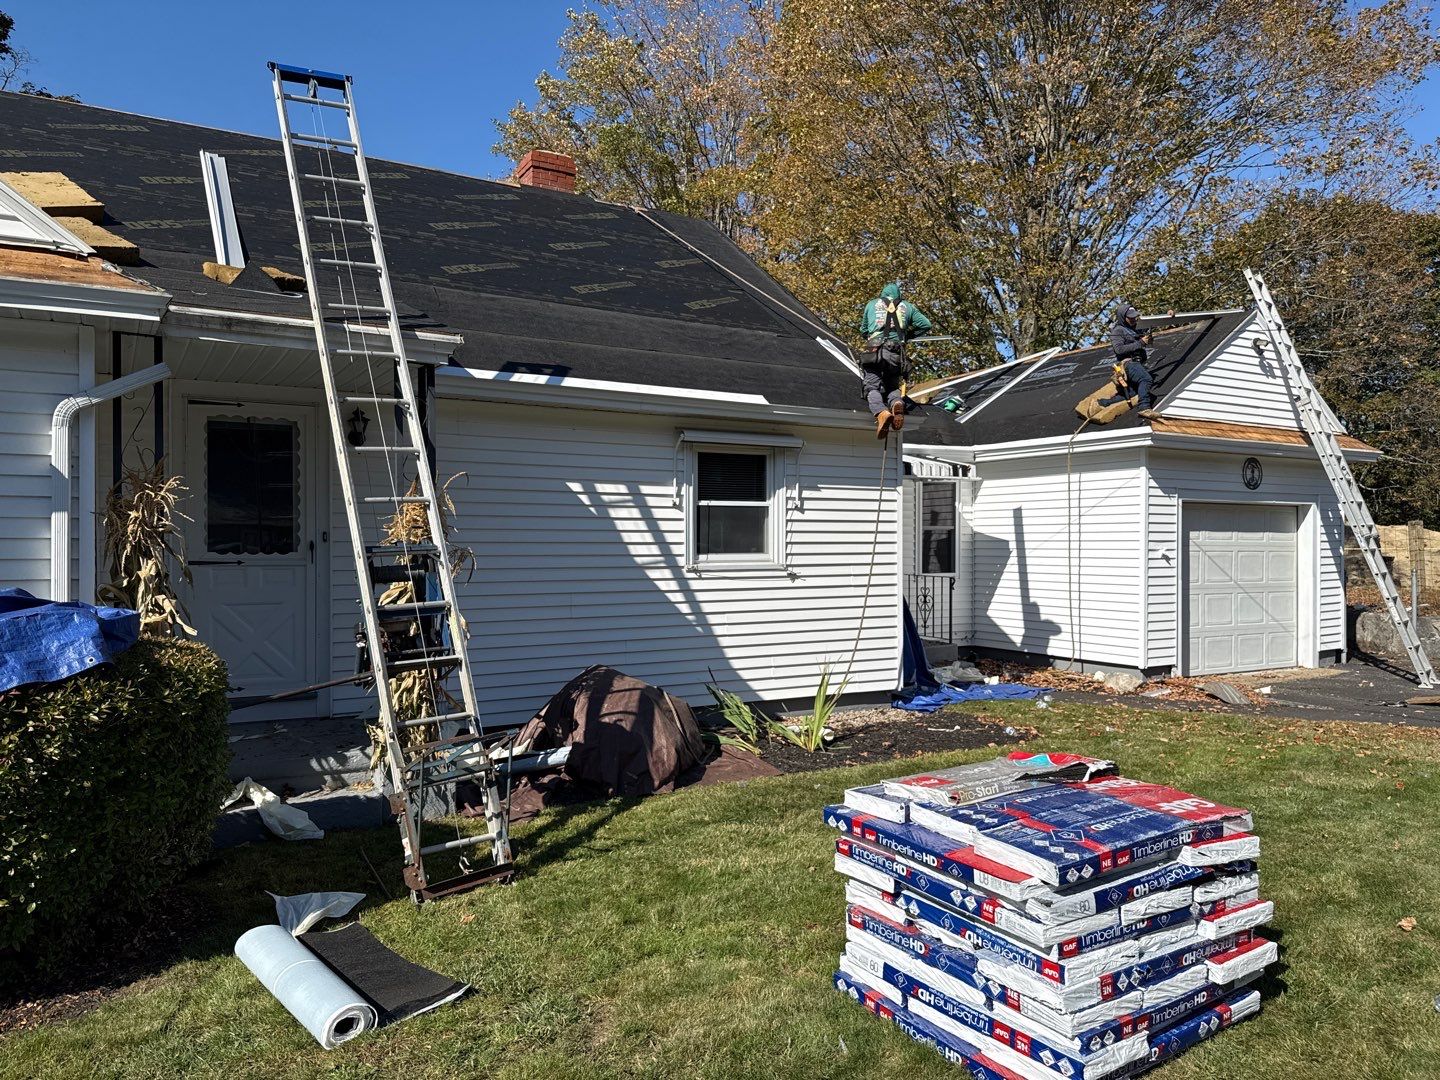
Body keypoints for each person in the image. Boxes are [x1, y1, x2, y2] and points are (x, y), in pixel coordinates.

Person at [860, 282, 932, 438]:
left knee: (871, 386)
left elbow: (863, 330)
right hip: (897, 352)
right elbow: (926, 324)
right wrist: (907, 335)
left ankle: (881, 412)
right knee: (892, 385)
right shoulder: (908, 306)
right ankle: (896, 404)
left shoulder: (871, 304)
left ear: (883, 294)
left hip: (875, 350)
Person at [1103, 304, 1158, 418]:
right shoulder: (1117, 331)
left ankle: (1102, 403)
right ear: (1123, 317)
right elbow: (1119, 350)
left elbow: (1152, 325)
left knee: (1132, 393)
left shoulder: (1136, 328)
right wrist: (1141, 343)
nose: (1133, 319)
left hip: (1137, 364)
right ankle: (1144, 408)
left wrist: (1169, 315)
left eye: (1135, 317)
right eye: (1130, 317)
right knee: (1146, 379)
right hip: (1128, 364)